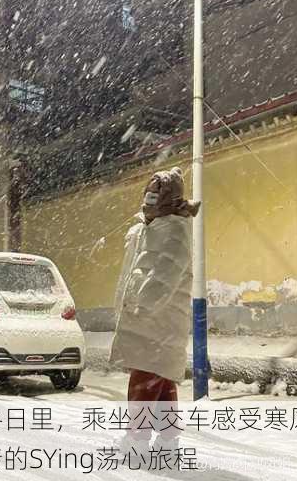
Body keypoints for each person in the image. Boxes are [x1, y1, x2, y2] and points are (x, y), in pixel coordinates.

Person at [110, 166, 200, 453]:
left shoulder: (174, 230)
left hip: (158, 320)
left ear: (168, 199)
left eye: (155, 195)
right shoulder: (146, 228)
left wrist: (142, 306)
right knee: (158, 380)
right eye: (148, 193)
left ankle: (135, 442)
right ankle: (168, 439)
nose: (149, 199)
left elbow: (165, 275)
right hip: (146, 319)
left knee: (144, 382)